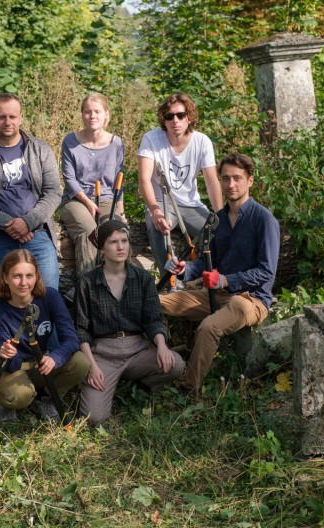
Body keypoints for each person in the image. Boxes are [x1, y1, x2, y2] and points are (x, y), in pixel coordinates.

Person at [160, 152, 280, 395]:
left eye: (237, 178)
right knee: (155, 302)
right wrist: (185, 270)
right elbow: (206, 262)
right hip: (214, 294)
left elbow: (267, 271)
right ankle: (159, 368)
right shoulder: (217, 220)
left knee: (208, 327)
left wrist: (227, 279)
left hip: (251, 300)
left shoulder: (264, 219)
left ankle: (188, 390)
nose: (231, 184)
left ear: (250, 181)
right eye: (226, 179)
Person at [75, 220, 185, 424]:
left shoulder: (142, 279)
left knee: (176, 364)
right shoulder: (87, 283)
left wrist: (161, 346)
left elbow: (153, 320)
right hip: (103, 355)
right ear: (102, 249)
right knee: (94, 418)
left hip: (137, 351)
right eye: (113, 242)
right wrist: (91, 366)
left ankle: (140, 386)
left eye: (124, 241)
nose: (121, 247)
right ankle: (107, 383)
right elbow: (81, 330)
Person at [0, 93, 62, 290]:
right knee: (7, 299)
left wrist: (28, 222)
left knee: (48, 296)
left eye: (12, 116)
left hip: (37, 234)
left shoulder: (40, 149)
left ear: (21, 118)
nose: (7, 122)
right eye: (1, 117)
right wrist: (10, 225)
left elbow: (53, 192)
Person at [0, 250, 90, 421]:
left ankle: (45, 398)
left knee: (81, 362)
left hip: (38, 362)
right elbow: (11, 365)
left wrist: (55, 358)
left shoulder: (50, 297)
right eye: (17, 276)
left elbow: (71, 340)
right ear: (5, 278)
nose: (24, 283)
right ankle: (4, 401)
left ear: (36, 277)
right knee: (21, 396)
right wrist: (7, 352)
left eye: (29, 276)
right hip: (9, 367)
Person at [137, 92, 223, 278]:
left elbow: (211, 180)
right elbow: (144, 179)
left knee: (218, 233)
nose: (175, 120)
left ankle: (214, 279)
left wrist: (220, 214)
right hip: (163, 202)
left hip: (191, 204)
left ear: (189, 117)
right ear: (164, 119)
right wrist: (154, 211)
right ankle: (171, 284)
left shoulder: (202, 141)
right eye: (169, 116)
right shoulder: (151, 139)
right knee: (158, 229)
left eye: (180, 115)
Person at [58, 93, 126, 278]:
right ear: (82, 115)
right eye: (88, 112)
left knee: (116, 230)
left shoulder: (116, 143)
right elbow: (69, 179)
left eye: (97, 111)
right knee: (89, 231)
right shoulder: (70, 142)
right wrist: (87, 202)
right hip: (75, 200)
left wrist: (121, 212)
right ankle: (88, 290)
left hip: (105, 199)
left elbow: (118, 181)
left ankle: (119, 287)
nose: (92, 116)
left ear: (106, 114)